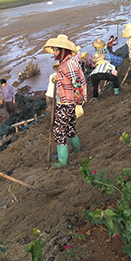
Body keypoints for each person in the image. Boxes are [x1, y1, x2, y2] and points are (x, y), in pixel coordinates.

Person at [43, 34, 87, 167]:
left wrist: (79, 105)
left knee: (59, 131)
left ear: (63, 51)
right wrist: (58, 78)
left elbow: (77, 84)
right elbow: (68, 78)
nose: (54, 53)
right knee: (69, 128)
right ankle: (77, 150)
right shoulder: (66, 62)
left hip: (67, 104)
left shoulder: (68, 64)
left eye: (56, 50)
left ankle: (62, 161)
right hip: (68, 101)